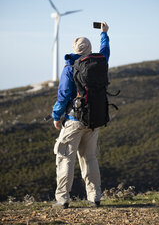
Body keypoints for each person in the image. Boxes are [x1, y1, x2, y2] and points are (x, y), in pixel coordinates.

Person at [52, 22, 110, 209]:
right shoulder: (101, 61)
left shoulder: (71, 67)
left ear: (75, 49)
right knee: (90, 158)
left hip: (74, 120)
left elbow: (63, 95)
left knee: (65, 157)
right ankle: (95, 197)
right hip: (94, 119)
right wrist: (104, 33)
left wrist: (56, 115)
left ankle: (63, 199)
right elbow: (105, 49)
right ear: (89, 49)